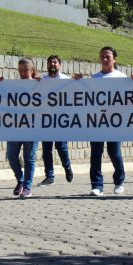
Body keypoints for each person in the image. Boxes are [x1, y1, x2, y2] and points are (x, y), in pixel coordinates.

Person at [88, 46, 127, 196]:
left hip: (115, 122)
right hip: (97, 121)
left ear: (114, 59)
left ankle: (119, 181)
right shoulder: (94, 78)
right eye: (102, 56)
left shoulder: (121, 77)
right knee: (96, 153)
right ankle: (97, 185)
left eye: (108, 57)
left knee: (114, 152)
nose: (104, 59)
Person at [4, 57, 40, 198]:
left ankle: (27, 187)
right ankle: (20, 179)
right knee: (12, 156)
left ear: (32, 70)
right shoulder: (13, 85)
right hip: (15, 127)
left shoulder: (39, 84)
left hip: (33, 127)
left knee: (29, 158)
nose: (23, 73)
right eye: (21, 70)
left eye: (26, 70)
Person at [39, 55, 74, 186]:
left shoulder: (66, 79)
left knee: (61, 146)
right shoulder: (42, 79)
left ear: (60, 65)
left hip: (60, 119)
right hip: (46, 119)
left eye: (55, 62)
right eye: (50, 63)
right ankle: (49, 176)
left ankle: (67, 167)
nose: (52, 64)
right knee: (46, 149)